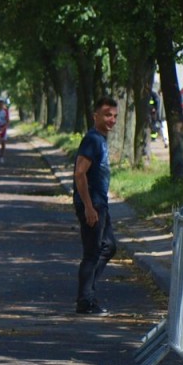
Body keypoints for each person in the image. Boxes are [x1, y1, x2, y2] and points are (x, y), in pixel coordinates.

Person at [73, 96, 119, 315]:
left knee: (109, 246)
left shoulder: (100, 139)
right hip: (93, 203)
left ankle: (87, 291)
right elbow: (79, 173)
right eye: (107, 115)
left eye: (115, 116)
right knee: (92, 253)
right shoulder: (92, 139)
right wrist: (88, 207)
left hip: (100, 202)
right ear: (96, 116)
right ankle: (85, 301)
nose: (112, 120)